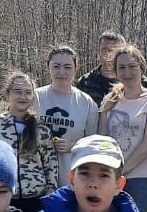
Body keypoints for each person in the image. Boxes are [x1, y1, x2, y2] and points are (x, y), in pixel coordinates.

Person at [99, 45, 147, 212]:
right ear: (115, 71)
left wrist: (121, 171)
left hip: (137, 178)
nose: (127, 72)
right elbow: (102, 139)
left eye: (132, 66)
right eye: (121, 67)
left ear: (142, 68)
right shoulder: (110, 99)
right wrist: (108, 173)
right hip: (109, 177)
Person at [0, 71, 59, 212]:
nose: (23, 97)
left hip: (36, 199)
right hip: (4, 198)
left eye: (28, 92)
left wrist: (50, 194)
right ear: (8, 94)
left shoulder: (41, 128)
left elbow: (50, 163)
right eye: (18, 92)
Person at [35, 46, 99, 181]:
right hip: (37, 176)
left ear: (76, 69)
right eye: (56, 66)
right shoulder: (35, 98)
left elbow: (93, 145)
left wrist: (72, 146)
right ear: (48, 68)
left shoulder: (87, 103)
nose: (61, 72)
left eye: (68, 67)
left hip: (70, 177)